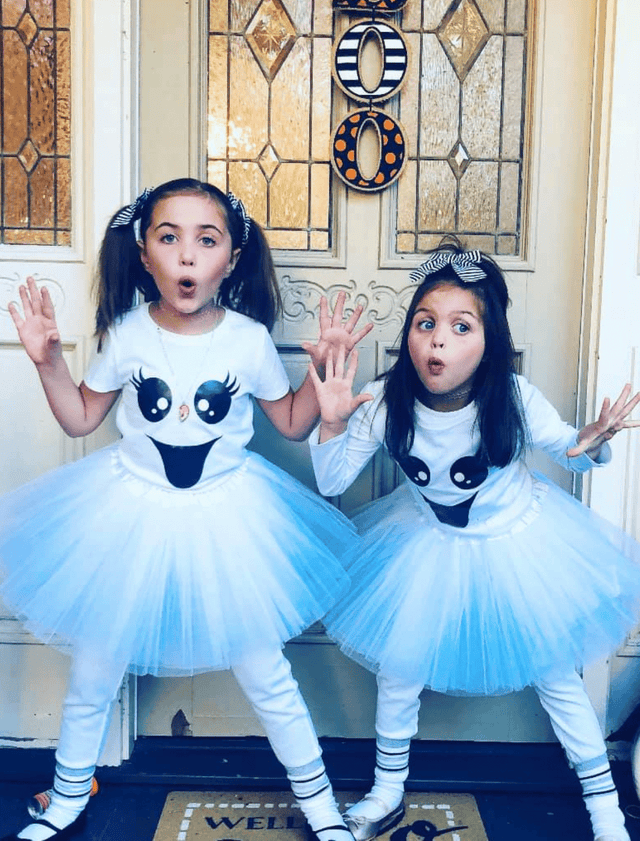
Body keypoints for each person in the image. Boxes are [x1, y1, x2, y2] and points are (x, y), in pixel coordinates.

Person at [0, 178, 371, 841]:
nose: (188, 256)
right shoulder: (128, 333)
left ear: (230, 259)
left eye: (206, 240)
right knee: (95, 667)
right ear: (145, 255)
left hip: (226, 520)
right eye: (169, 239)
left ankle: (321, 808)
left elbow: (288, 422)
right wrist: (50, 361)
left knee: (266, 671)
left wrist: (323, 383)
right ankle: (64, 796)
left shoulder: (249, 339)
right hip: (128, 516)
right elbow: (83, 415)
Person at [307, 244, 640, 841]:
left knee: (556, 673)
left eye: (462, 327)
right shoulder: (385, 401)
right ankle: (386, 792)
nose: (438, 341)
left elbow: (573, 452)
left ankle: (608, 813)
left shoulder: (510, 396)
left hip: (517, 544)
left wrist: (591, 441)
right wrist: (331, 423)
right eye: (425, 323)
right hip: (426, 545)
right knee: (400, 667)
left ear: (490, 341)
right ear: (409, 331)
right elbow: (332, 481)